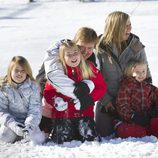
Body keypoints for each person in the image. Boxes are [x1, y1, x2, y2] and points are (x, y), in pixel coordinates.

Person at [95, 11, 152, 137]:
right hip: (108, 101)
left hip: (132, 102)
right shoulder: (100, 48)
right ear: (115, 27)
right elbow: (95, 79)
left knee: (143, 130)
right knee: (103, 134)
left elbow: (146, 76)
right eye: (125, 25)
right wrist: (106, 102)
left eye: (130, 24)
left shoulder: (136, 45)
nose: (130, 28)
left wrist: (145, 101)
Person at [37, 27, 100, 132]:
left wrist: (88, 99)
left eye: (90, 48)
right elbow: (42, 81)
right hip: (49, 100)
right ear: (75, 43)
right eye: (81, 47)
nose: (85, 52)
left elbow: (98, 85)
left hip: (76, 107)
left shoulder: (91, 61)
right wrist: (55, 99)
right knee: (44, 130)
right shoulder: (60, 55)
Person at [43, 40, 106, 144]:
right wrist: (56, 100)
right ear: (63, 57)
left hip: (85, 115)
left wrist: (90, 99)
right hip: (63, 116)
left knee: (90, 140)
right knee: (64, 142)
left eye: (75, 53)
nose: (73, 57)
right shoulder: (59, 73)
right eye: (69, 55)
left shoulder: (89, 67)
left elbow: (101, 87)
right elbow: (48, 91)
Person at [0, 56, 45, 144]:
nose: (19, 73)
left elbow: (35, 110)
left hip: (29, 123)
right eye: (16, 70)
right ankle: (16, 134)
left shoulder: (33, 87)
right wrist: (13, 125)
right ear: (10, 71)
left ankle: (25, 134)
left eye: (23, 70)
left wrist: (29, 126)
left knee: (38, 140)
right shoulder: (4, 88)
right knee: (4, 138)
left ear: (27, 72)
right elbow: (1, 110)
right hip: (12, 123)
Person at [115, 59, 158, 138]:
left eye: (143, 71)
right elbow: (122, 105)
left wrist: (155, 109)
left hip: (147, 118)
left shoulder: (148, 86)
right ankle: (120, 128)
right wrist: (133, 116)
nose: (141, 74)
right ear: (130, 72)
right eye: (137, 72)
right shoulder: (126, 86)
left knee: (155, 124)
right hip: (131, 120)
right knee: (138, 132)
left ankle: (151, 132)